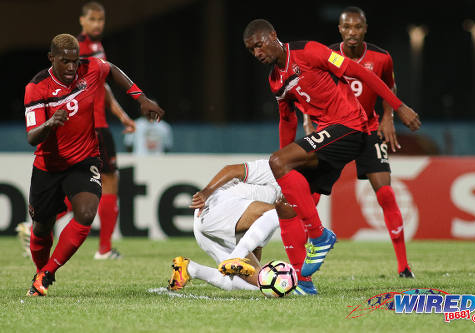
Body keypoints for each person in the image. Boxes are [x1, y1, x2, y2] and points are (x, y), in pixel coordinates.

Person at [242, 19, 421, 278]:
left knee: (383, 193)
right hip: (329, 135)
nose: (257, 53)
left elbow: (361, 73)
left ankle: (320, 237)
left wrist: (397, 106)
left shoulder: (309, 51)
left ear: (272, 36)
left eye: (259, 45)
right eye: (251, 50)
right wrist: (287, 166)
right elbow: (287, 119)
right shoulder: (275, 80)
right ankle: (301, 279)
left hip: (352, 125)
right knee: (287, 204)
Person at [24, 33, 164, 296]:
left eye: (75, 61)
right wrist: (50, 123)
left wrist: (141, 99)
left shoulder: (90, 69)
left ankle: (47, 272)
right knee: (42, 228)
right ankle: (39, 274)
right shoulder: (37, 87)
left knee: (87, 213)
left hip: (84, 159)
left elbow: (111, 69)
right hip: (48, 166)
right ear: (51, 58)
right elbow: (32, 137)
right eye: (64, 61)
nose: (71, 67)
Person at [326, 6, 413, 277]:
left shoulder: (381, 57)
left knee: (385, 194)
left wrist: (388, 117)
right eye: (347, 27)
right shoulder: (327, 56)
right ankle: (301, 264)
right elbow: (312, 88)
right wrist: (309, 120)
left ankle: (403, 266)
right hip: (336, 130)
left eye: (358, 27)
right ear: (340, 29)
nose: (352, 32)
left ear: (365, 29)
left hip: (368, 130)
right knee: (311, 192)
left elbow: (389, 87)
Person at [168, 160, 317, 295]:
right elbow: (231, 170)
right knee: (277, 214)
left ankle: (190, 269)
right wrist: (205, 192)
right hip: (214, 208)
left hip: (209, 230)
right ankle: (235, 257)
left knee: (257, 284)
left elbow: (255, 245)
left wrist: (261, 274)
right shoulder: (278, 168)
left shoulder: (268, 214)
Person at [78, 1, 136, 259]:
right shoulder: (79, 49)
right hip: (94, 127)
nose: (97, 24)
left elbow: (103, 86)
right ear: (82, 21)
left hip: (99, 124)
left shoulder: (97, 48)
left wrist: (121, 114)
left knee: (83, 184)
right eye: (92, 19)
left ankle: (35, 222)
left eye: (101, 20)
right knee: (108, 183)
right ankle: (104, 249)